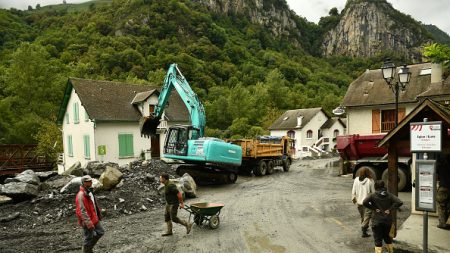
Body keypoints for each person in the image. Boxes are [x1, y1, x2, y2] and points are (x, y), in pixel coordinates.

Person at [363, 180, 403, 253]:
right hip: (387, 221)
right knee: (388, 239)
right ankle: (390, 251)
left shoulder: (373, 195)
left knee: (378, 240)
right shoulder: (389, 195)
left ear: (376, 186)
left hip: (376, 221)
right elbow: (399, 202)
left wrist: (374, 208)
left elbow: (364, 202)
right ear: (383, 186)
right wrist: (390, 209)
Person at [75, 175, 105, 253]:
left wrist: (98, 214)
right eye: (88, 181)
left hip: (94, 218)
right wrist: (89, 224)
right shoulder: (81, 195)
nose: (90, 182)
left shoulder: (89, 192)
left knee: (100, 232)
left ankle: (88, 249)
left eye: (90, 181)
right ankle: (86, 250)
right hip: (87, 221)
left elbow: (94, 204)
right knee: (88, 238)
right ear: (83, 183)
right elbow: (82, 212)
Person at [351, 167, 375, 237]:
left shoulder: (356, 180)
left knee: (363, 216)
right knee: (367, 216)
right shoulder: (370, 180)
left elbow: (353, 191)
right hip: (367, 202)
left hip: (359, 202)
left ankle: (364, 227)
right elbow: (373, 192)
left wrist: (354, 199)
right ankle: (364, 231)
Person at [436, 154, 450, 230]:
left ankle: (442, 224)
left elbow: (436, 177)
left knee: (441, 206)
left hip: (443, 188)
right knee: (448, 206)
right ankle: (447, 222)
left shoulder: (441, 167)